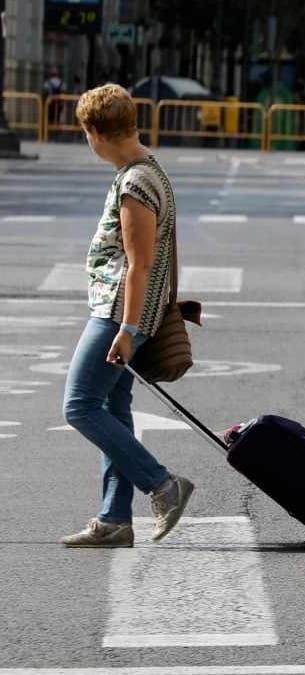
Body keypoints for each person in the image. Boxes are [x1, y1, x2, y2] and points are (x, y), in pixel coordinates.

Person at [60, 84, 193, 548]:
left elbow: (140, 264)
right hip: (124, 311)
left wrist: (128, 330)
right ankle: (114, 519)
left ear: (96, 131)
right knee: (114, 408)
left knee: (78, 405)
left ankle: (161, 484)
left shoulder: (136, 182)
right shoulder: (146, 169)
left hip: (119, 312)